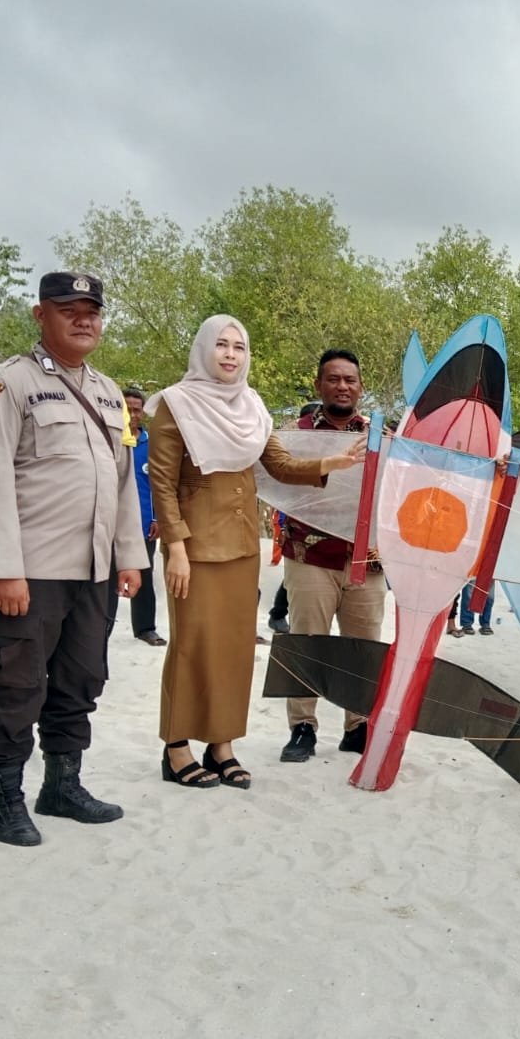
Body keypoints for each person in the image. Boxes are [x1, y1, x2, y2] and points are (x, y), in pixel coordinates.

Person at [0, 271, 149, 847]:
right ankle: (5, 800)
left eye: (92, 310)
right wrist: (5, 569)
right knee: (18, 683)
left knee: (80, 680)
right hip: (33, 572)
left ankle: (61, 786)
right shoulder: (8, 384)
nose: (83, 319)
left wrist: (129, 556)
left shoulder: (106, 391)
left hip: (94, 570)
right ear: (39, 314)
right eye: (69, 309)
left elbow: (122, 482)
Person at [149, 316, 361, 789]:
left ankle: (221, 745)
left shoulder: (251, 407)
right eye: (221, 345)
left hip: (242, 545)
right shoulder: (175, 405)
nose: (229, 354)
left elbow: (280, 466)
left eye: (239, 347)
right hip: (196, 547)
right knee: (191, 645)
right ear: (204, 349)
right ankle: (177, 746)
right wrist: (176, 547)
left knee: (234, 649)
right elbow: (162, 482)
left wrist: (333, 462)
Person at [278, 349, 388, 762]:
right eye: (334, 379)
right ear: (318, 384)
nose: (343, 386)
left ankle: (357, 726)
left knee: (363, 648)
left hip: (368, 561)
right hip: (310, 556)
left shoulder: (381, 435)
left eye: (350, 380)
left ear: (361, 387)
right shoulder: (295, 434)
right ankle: (302, 727)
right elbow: (280, 483)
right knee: (308, 642)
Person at [123, 387, 165, 646]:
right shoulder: (108, 439)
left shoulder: (152, 445)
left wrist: (158, 518)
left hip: (144, 524)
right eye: (126, 409)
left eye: (137, 409)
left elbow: (160, 485)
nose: (132, 414)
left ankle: (145, 628)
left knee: (144, 575)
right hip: (109, 525)